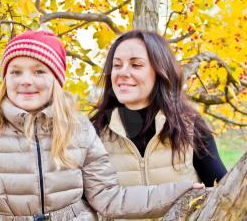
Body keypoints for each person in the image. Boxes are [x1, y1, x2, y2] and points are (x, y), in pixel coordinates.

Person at [0, 30, 203, 221]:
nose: (26, 80)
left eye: (39, 71)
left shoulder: (78, 129)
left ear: (56, 80)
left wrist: (179, 190)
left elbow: (109, 198)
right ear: (6, 79)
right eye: (16, 72)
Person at [91, 30, 226, 220]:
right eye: (116, 65)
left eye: (136, 65)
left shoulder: (190, 126)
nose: (122, 72)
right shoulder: (94, 133)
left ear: (160, 70)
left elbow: (224, 195)